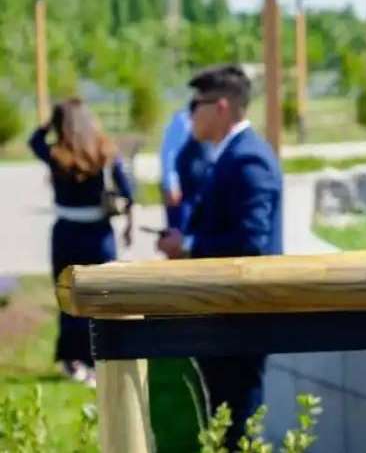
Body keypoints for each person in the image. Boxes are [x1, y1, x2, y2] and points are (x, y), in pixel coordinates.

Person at [157, 64, 283, 447]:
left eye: (197, 104)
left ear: (222, 107)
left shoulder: (249, 159)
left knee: (237, 425)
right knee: (223, 422)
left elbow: (252, 241)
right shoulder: (228, 155)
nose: (190, 114)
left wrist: (190, 246)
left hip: (242, 314)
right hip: (226, 311)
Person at [28, 99, 135, 387]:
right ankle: (98, 355)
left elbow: (33, 141)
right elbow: (128, 188)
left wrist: (49, 123)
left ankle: (72, 358)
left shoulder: (57, 154)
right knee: (100, 297)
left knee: (69, 294)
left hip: (66, 232)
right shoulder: (104, 151)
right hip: (99, 233)